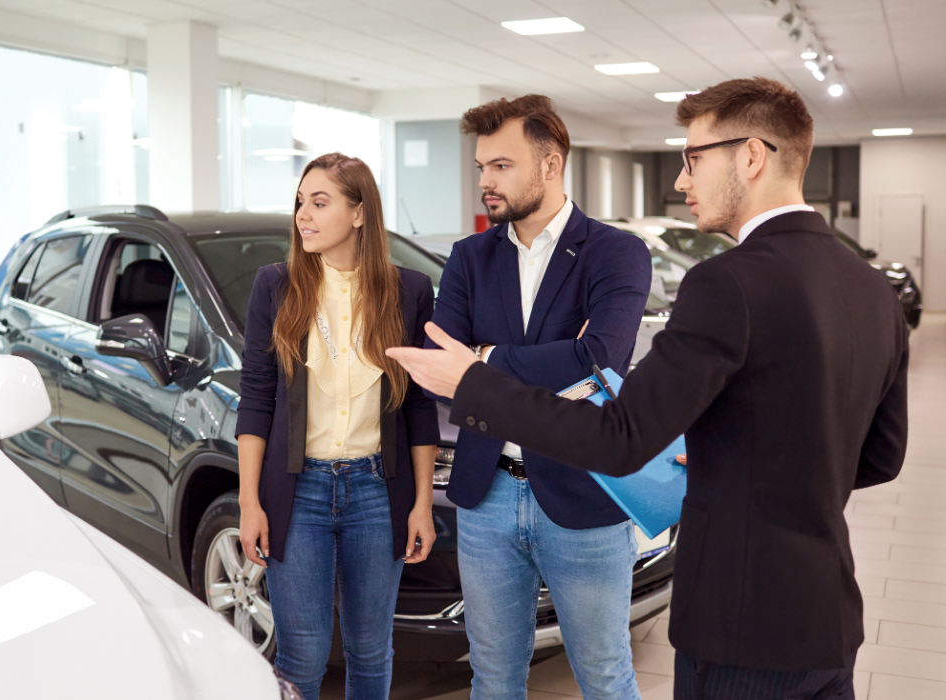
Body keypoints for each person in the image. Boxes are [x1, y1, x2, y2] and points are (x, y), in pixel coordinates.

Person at [387, 77, 908, 700]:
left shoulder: (724, 282)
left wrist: (475, 375)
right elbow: (881, 456)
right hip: (828, 616)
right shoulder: (872, 286)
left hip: (740, 618)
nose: (682, 180)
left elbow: (616, 426)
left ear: (751, 156)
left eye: (693, 158)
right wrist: (733, 460)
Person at [427, 95, 652, 700]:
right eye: (481, 167)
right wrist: (554, 358)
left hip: (583, 492)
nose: (486, 181)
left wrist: (482, 359)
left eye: (502, 165)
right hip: (487, 495)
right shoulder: (471, 257)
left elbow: (598, 360)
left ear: (551, 165)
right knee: (493, 677)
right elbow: (437, 365)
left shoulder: (614, 251)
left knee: (605, 676)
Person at [235, 152, 440, 700]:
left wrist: (422, 503)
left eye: (319, 202)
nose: (303, 215)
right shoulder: (275, 286)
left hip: (377, 491)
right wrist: (249, 502)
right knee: (301, 655)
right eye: (300, 202)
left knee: (371, 651)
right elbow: (256, 398)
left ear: (359, 212)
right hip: (297, 491)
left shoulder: (409, 290)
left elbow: (419, 407)